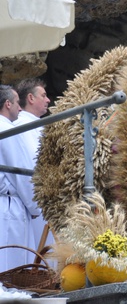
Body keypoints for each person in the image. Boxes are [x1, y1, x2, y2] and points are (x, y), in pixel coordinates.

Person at [0, 85, 41, 272]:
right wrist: (34, 205)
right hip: (8, 206)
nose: (20, 107)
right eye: (17, 103)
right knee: (11, 266)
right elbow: (20, 171)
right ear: (7, 104)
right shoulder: (6, 129)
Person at [13, 79, 53, 257]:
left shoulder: (38, 125)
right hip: (35, 201)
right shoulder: (22, 126)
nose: (48, 100)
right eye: (43, 95)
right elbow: (30, 165)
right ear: (30, 98)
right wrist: (35, 204)